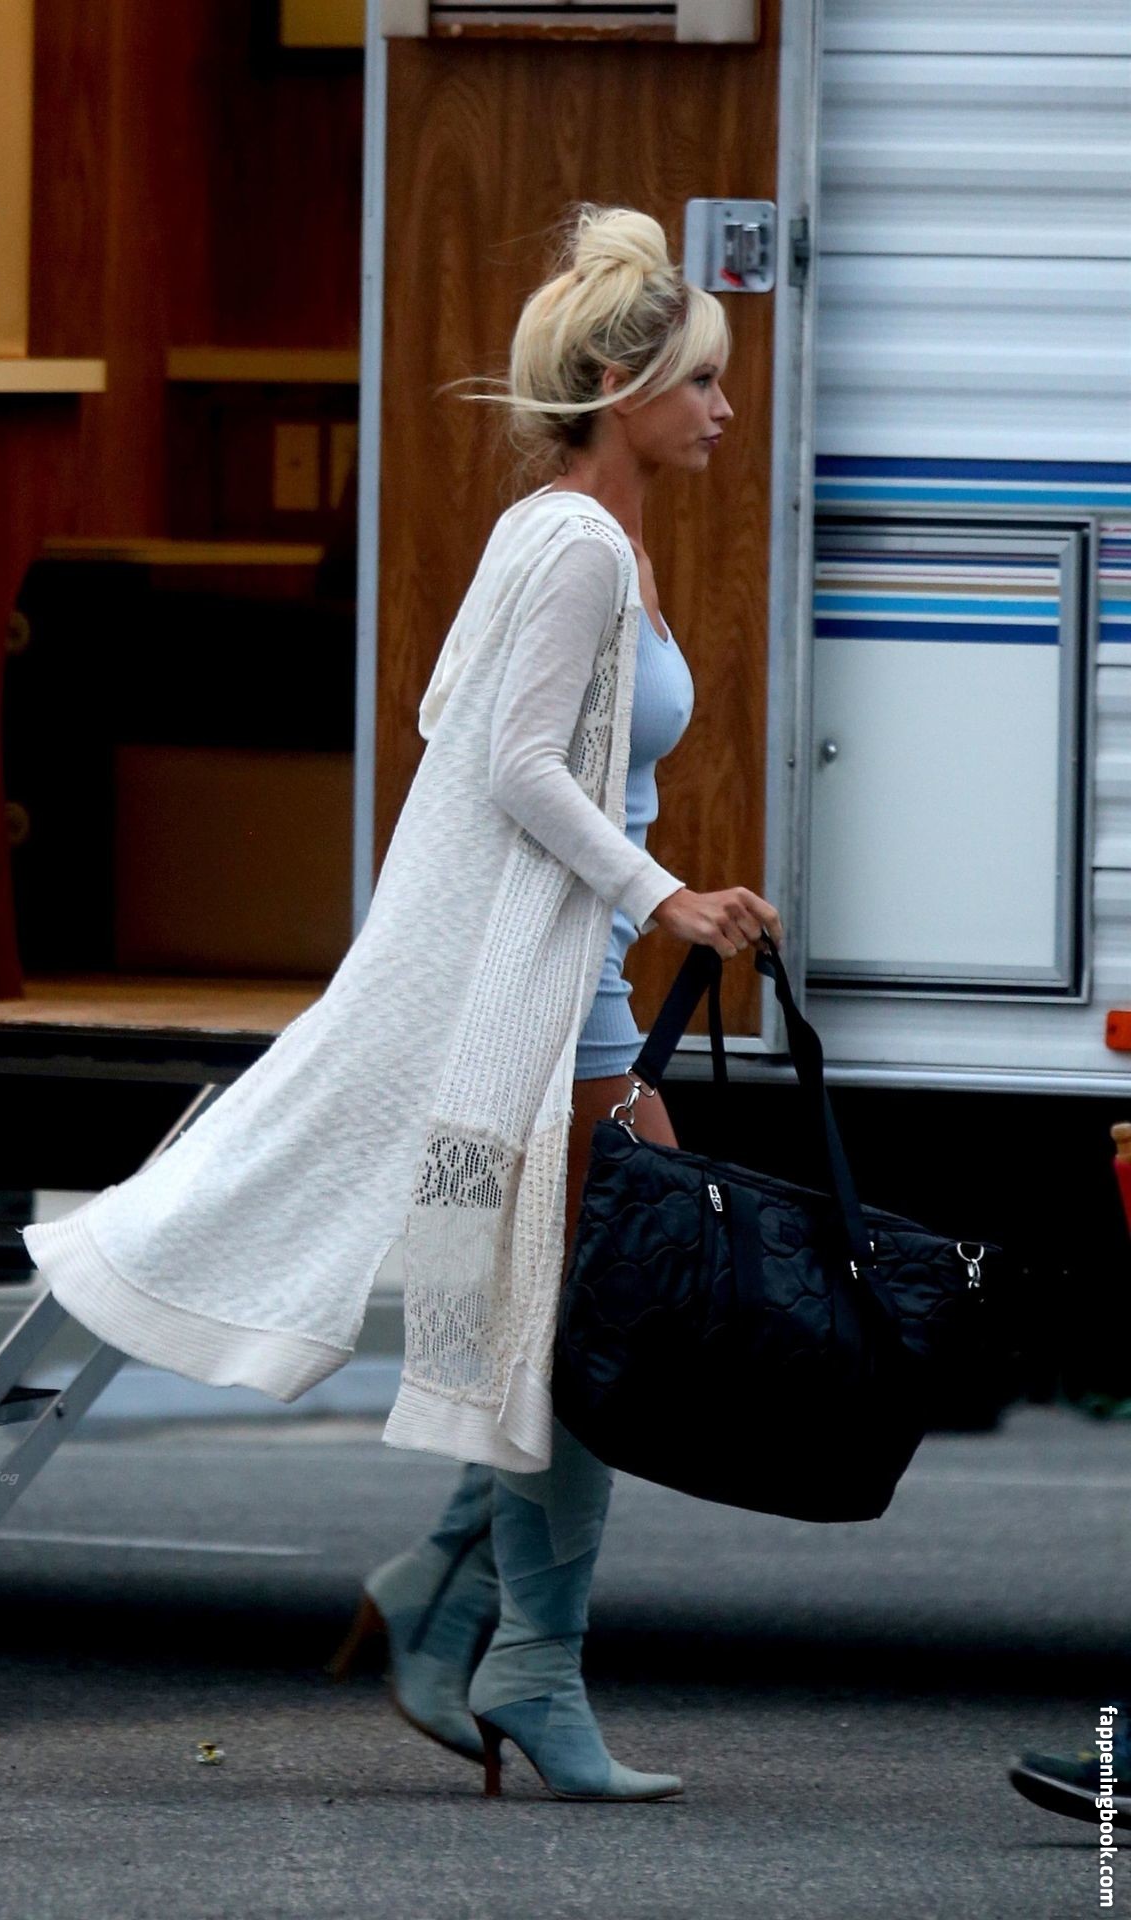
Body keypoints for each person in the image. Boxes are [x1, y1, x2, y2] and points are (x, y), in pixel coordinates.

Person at [326, 202, 783, 1802]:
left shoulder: (562, 530)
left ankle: (445, 1594)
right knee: (593, 1326)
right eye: (701, 380)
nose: (726, 407)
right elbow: (512, 762)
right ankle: (528, 1659)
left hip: (556, 985)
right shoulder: (581, 544)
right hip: (560, 997)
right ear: (612, 382)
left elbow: (465, 725)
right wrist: (663, 896)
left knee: (566, 1315)